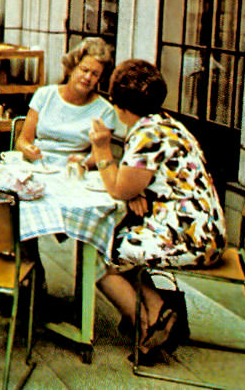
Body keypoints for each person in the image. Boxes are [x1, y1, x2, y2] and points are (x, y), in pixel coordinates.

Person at [91, 59, 226, 359]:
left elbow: (118, 187)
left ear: (118, 103)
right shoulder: (166, 123)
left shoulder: (146, 135)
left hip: (191, 238)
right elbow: (135, 186)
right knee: (118, 238)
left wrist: (101, 149)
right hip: (202, 230)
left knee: (97, 250)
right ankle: (157, 309)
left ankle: (151, 320)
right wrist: (132, 194)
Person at [15, 36, 117, 168]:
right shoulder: (44, 95)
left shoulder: (105, 110)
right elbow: (22, 141)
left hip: (73, 171)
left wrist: (83, 163)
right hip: (36, 166)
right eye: (84, 70)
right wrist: (28, 149)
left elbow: (100, 155)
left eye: (95, 74)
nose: (88, 77)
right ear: (71, 68)